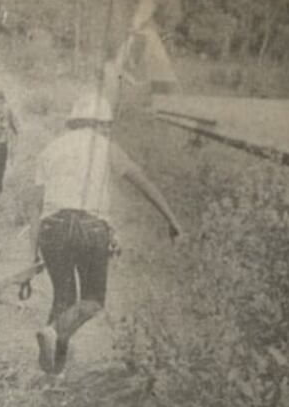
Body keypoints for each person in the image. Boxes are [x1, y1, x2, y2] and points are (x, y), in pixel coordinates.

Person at [30, 93, 183, 375]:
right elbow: (143, 183)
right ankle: (52, 333)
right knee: (93, 300)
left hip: (51, 227)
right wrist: (172, 220)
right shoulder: (107, 147)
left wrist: (31, 257)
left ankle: (53, 371)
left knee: (63, 298)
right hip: (90, 227)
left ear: (74, 121)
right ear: (100, 123)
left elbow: (36, 208)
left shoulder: (49, 150)